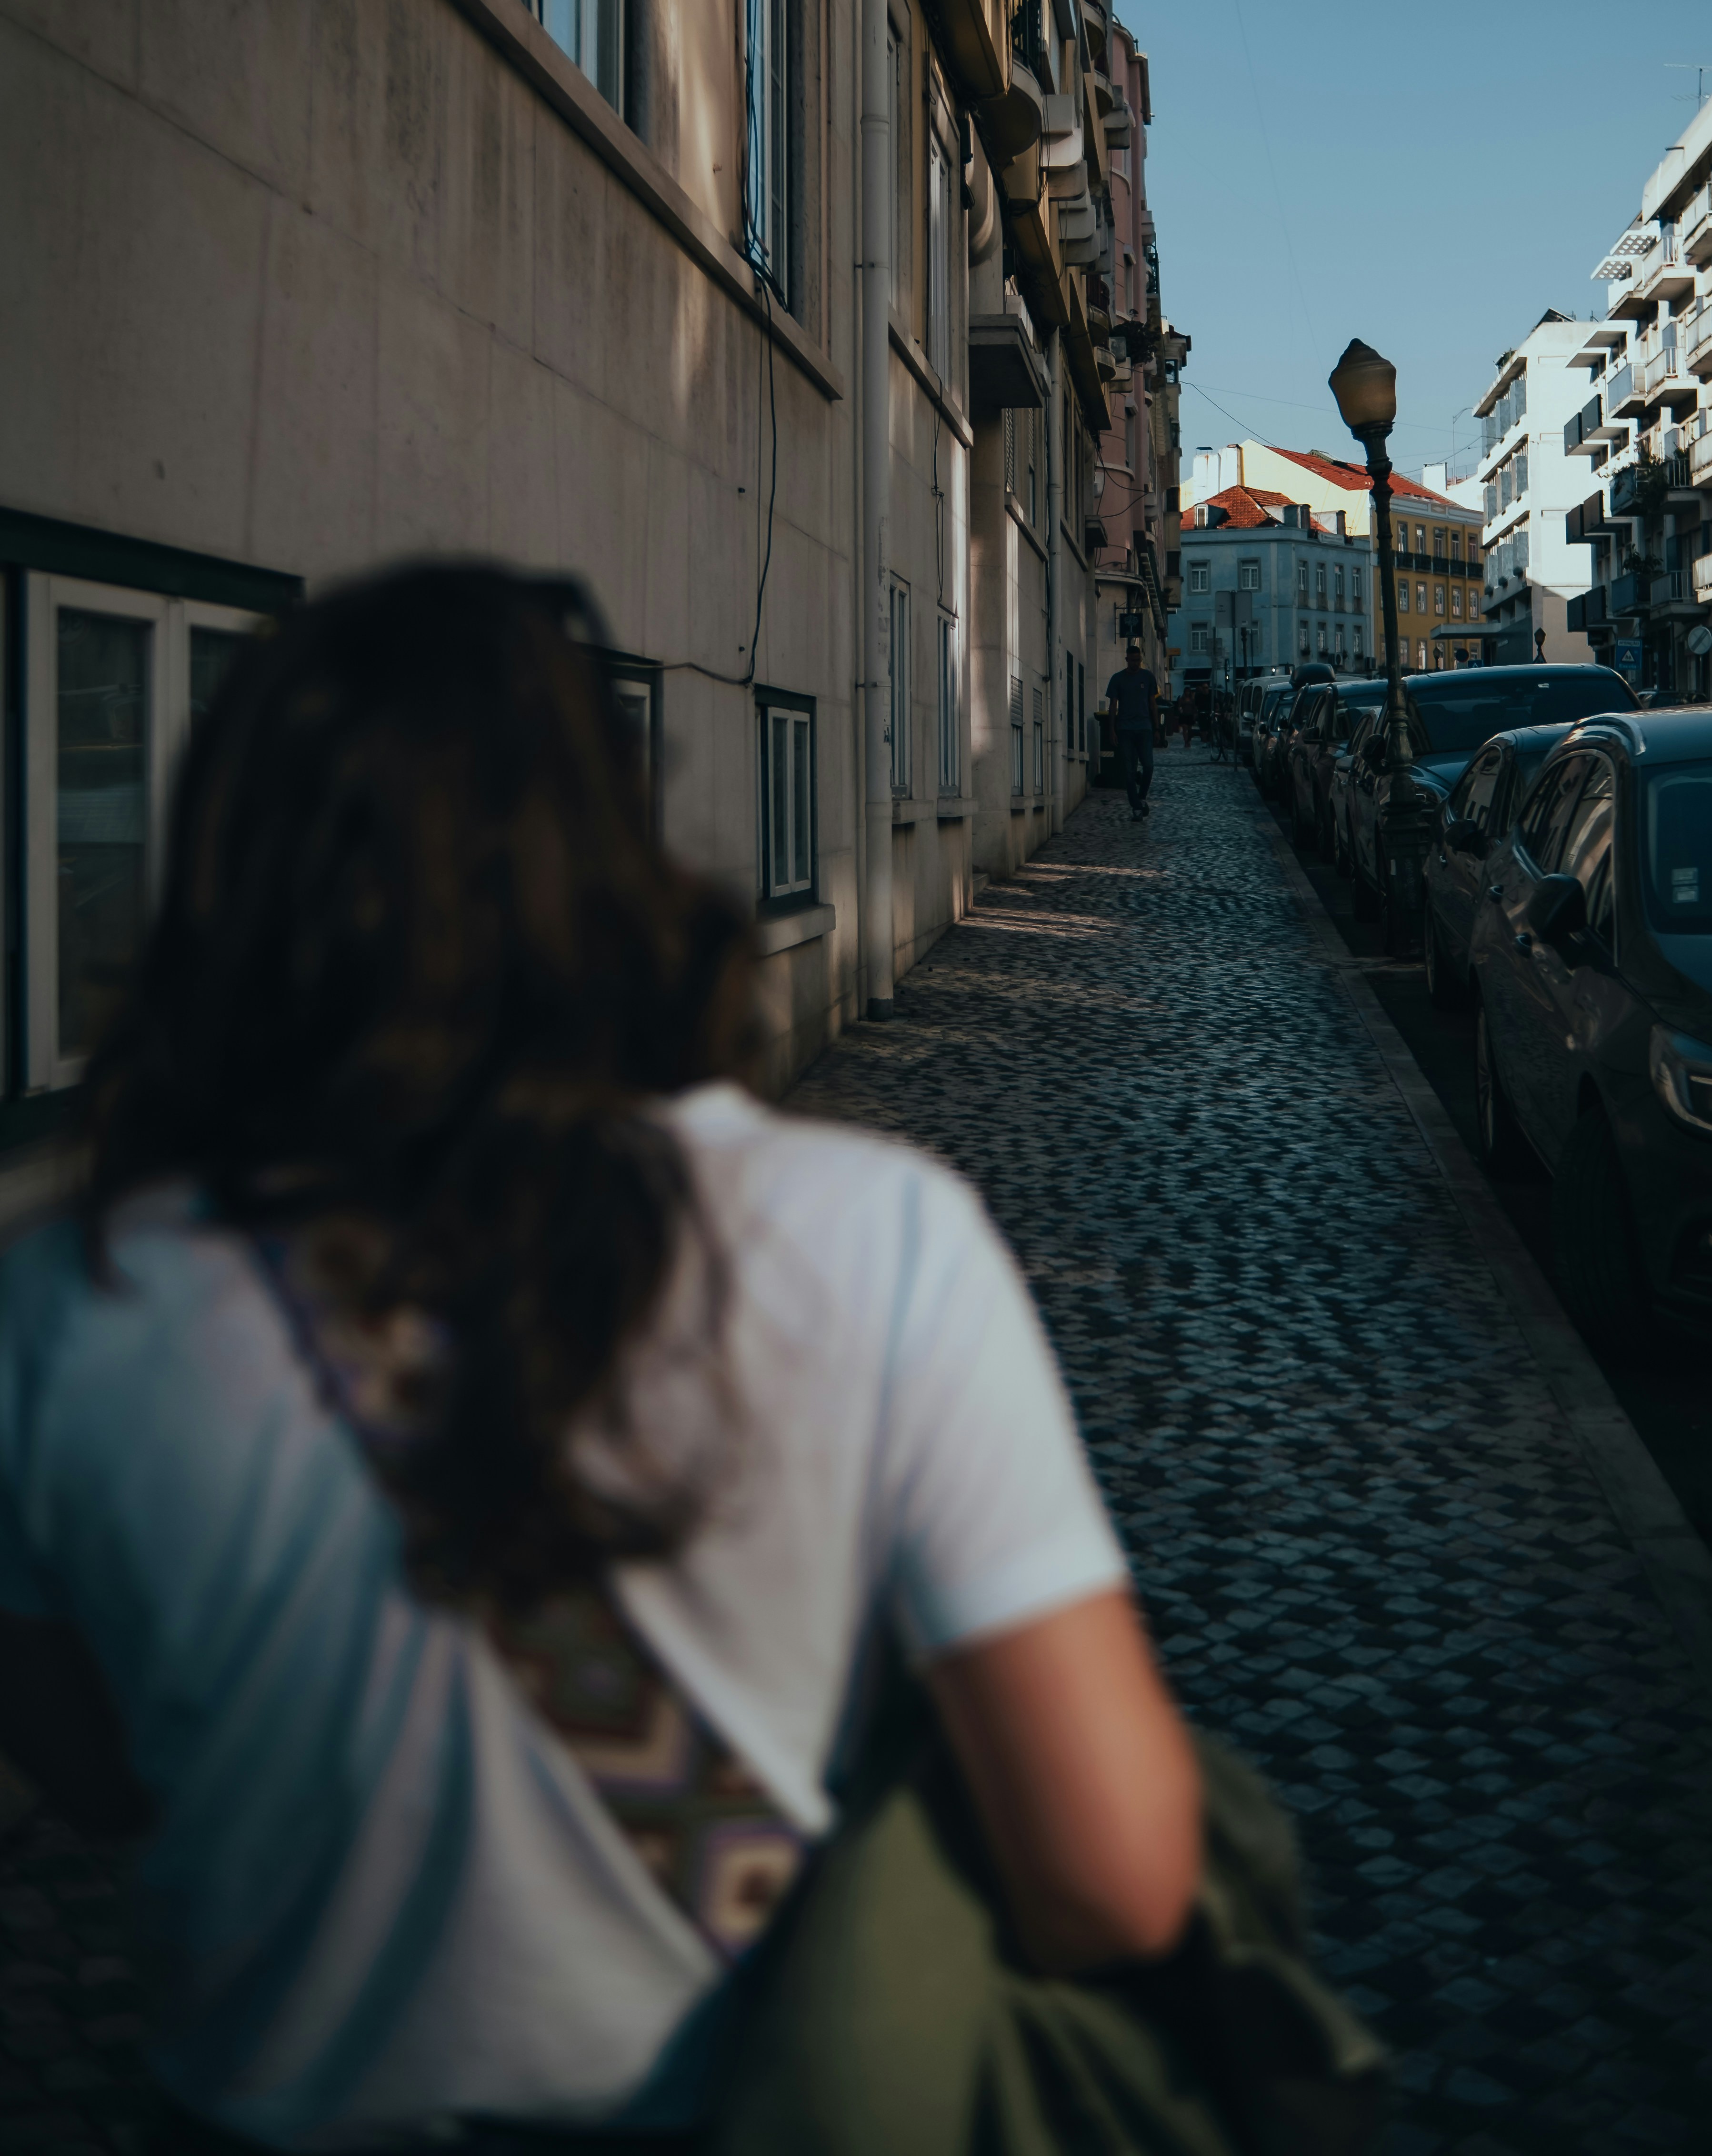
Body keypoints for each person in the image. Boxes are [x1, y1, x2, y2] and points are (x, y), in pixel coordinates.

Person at [0, 565, 1200, 2151]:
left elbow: (98, 1776)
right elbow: (1112, 1879)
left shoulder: (69, 1306)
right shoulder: (873, 1240)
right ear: (615, 862)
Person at [1106, 642, 1161, 819]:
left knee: (1149, 766)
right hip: (1125, 729)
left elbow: (1153, 704)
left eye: (1138, 660)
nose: (1136, 664)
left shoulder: (1148, 677)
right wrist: (1112, 730)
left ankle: (1142, 797)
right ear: (1127, 660)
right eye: (1132, 661)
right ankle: (1136, 806)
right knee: (1129, 771)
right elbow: (1113, 706)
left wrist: (1157, 728)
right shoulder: (1118, 679)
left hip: (1145, 728)